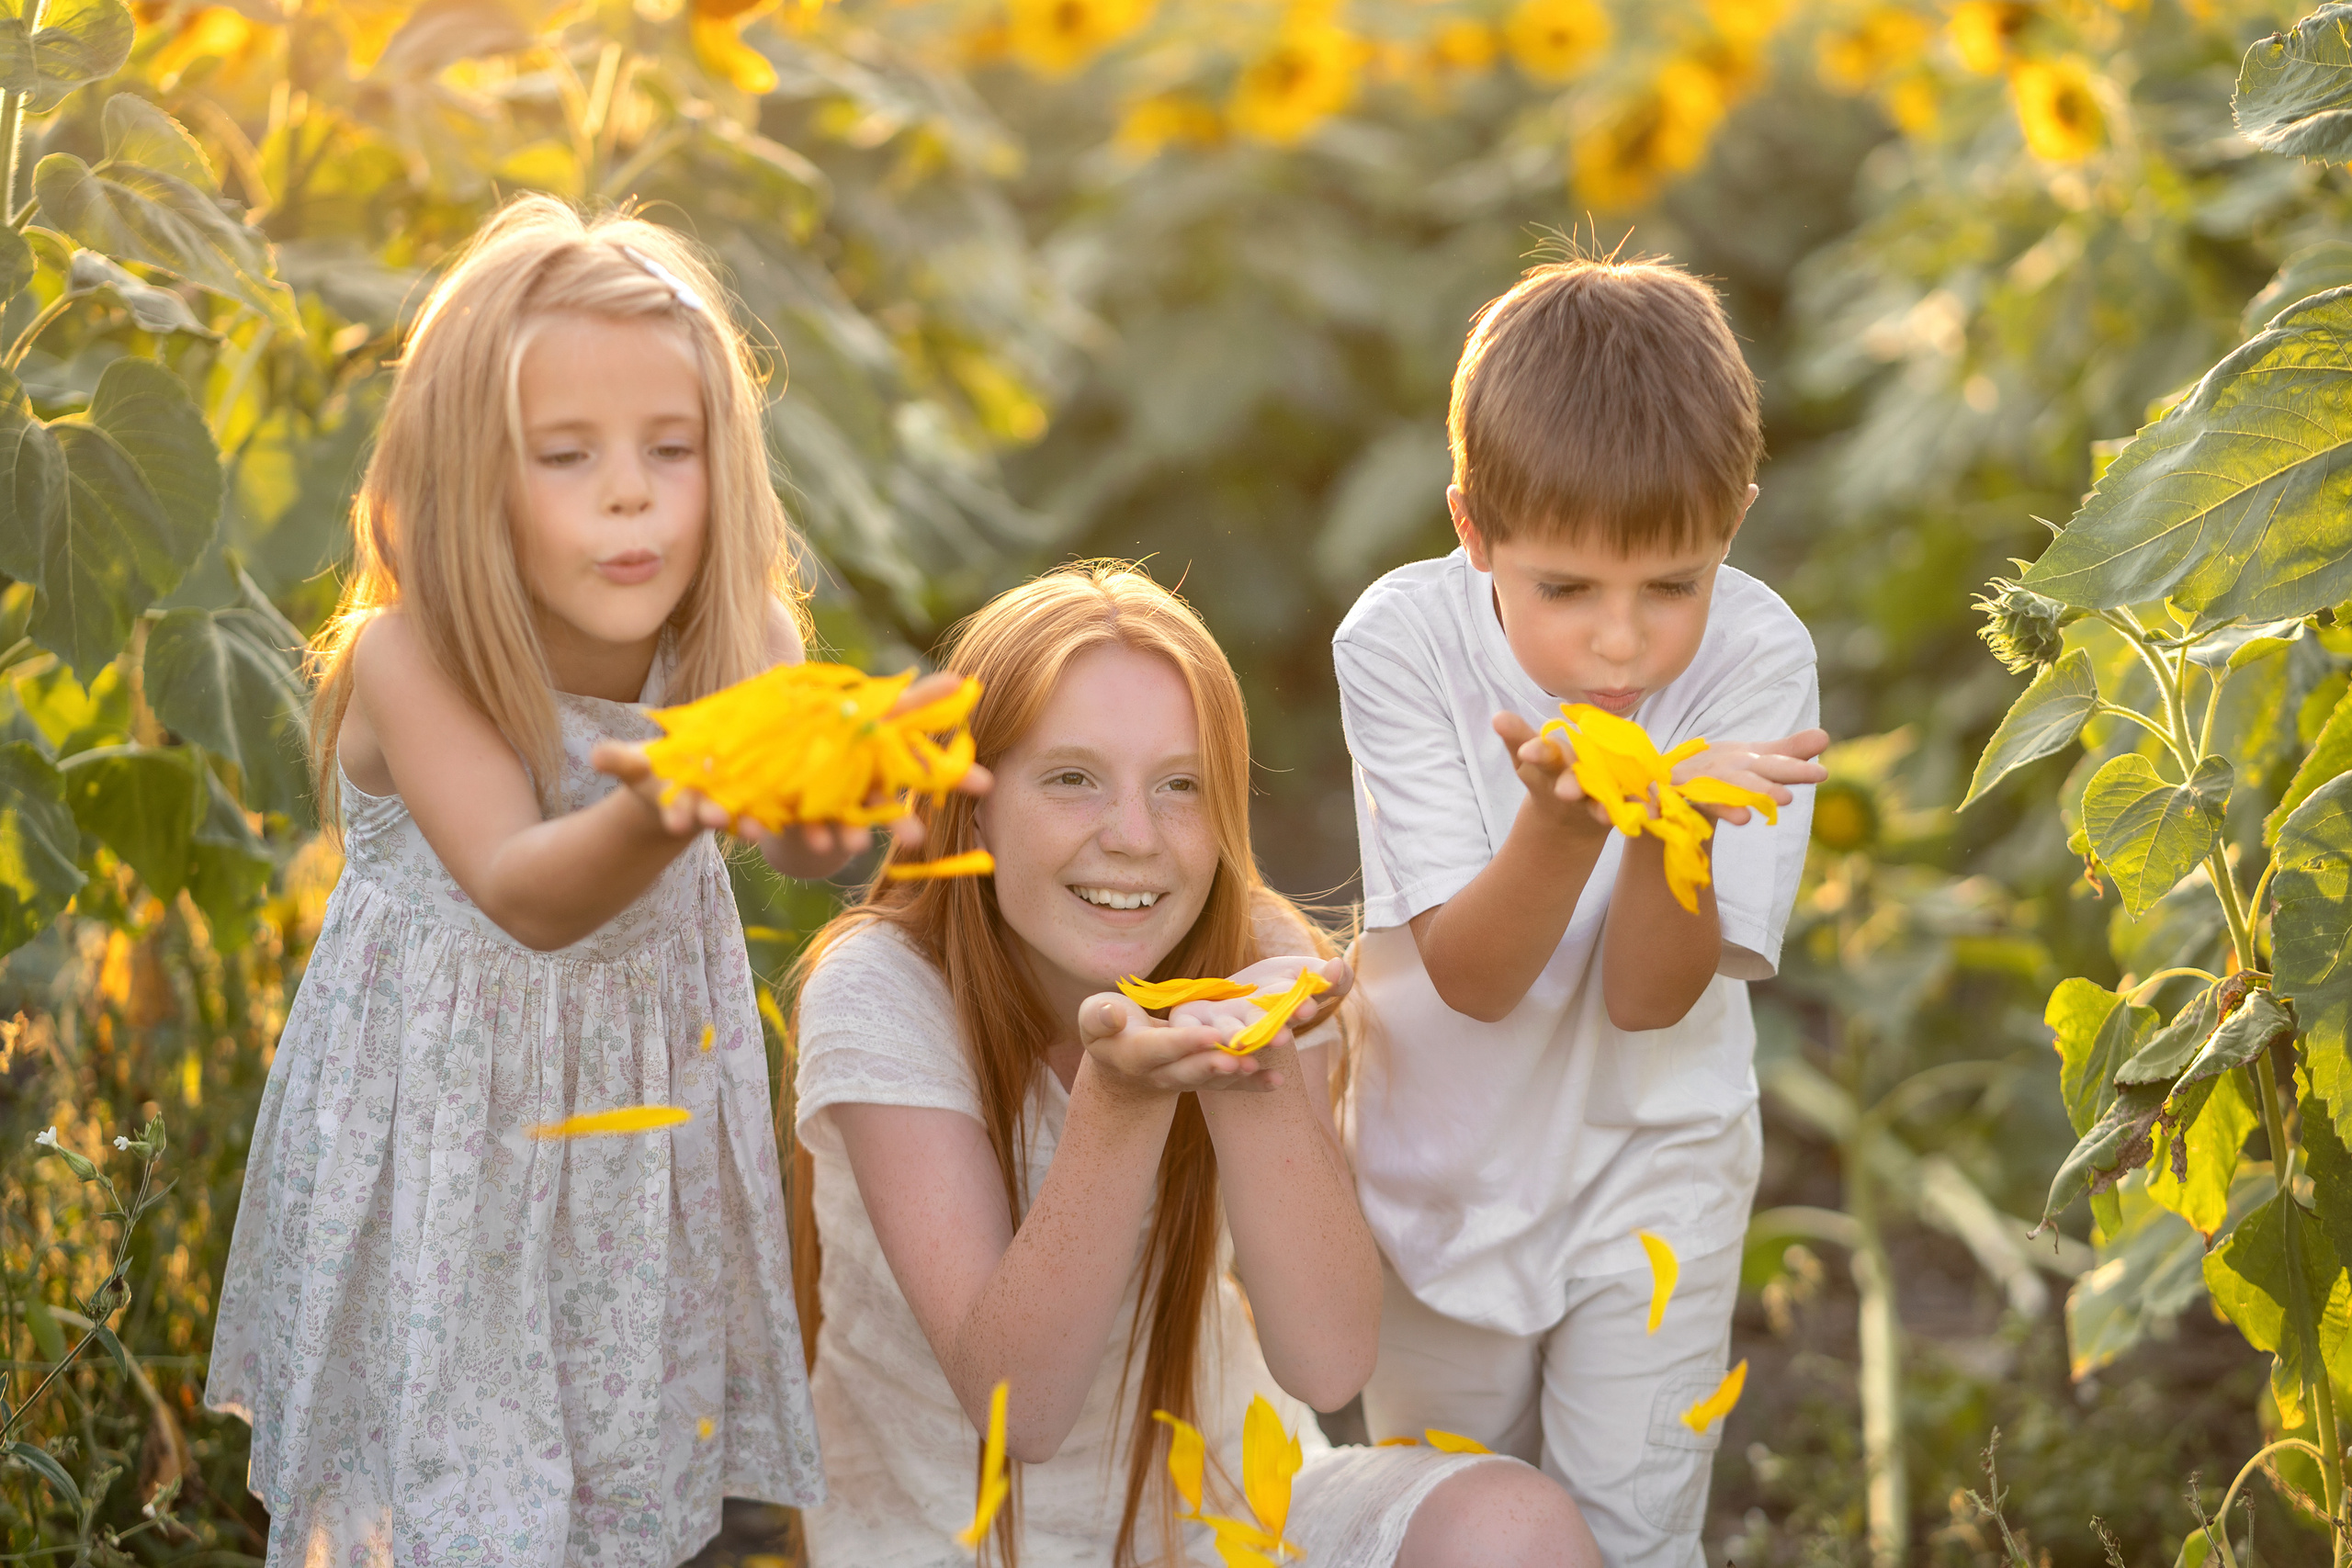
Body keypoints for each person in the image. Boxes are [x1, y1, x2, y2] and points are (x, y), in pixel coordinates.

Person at [207, 196, 952, 1566]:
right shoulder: (412, 659)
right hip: (445, 1142)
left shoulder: (741, 632)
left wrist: (849, 793)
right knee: (457, 1493)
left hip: (631, 1141)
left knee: (618, 1474)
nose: (631, 493)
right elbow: (526, 888)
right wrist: (677, 799)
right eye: (568, 455)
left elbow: (796, 845)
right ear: (463, 479)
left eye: (672, 450)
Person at [788, 563, 1600, 1567]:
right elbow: (1020, 1415)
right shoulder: (882, 990)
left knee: (1512, 1527)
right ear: (973, 806)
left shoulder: (1257, 957)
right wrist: (1120, 1105)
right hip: (953, 1536)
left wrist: (1249, 1073)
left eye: (1180, 787)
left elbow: (1329, 1363)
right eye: (1072, 778)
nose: (1133, 839)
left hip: (1219, 1512)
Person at [1332, 256, 1830, 1566]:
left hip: (1654, 1161)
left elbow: (1648, 994)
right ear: (1473, 528)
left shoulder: (1758, 656)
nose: (1622, 646)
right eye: (1567, 590)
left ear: (1735, 522)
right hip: (1439, 1170)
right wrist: (1563, 816)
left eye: (1674, 583)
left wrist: (1674, 821)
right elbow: (1476, 974)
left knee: (1631, 1528)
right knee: (1458, 1514)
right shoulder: (1401, 644)